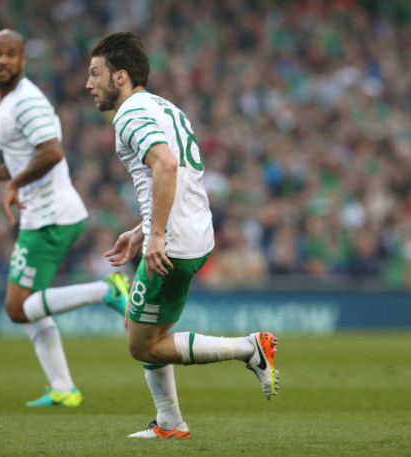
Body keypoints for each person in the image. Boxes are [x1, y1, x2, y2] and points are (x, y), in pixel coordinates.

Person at [86, 31, 279, 438]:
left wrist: (156, 236)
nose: (89, 84)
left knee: (143, 345)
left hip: (172, 242)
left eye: (95, 73)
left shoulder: (130, 115)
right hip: (193, 232)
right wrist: (142, 230)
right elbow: (182, 177)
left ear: (120, 76)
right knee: (140, 327)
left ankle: (249, 349)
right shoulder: (165, 108)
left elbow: (167, 167)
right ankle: (170, 422)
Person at [0, 29, 129, 407]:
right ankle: (63, 387)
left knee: (17, 308)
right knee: (29, 307)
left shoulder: (25, 102)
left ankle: (106, 290)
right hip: (45, 215)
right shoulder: (12, 102)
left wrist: (12, 183)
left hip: (50, 217)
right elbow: (28, 155)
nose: (1, 61)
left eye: (10, 54)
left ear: (23, 59)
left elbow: (52, 153)